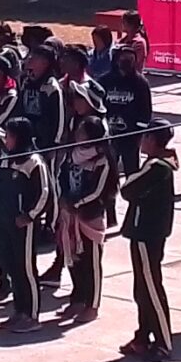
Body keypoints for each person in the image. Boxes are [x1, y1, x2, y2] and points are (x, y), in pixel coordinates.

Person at [119, 126, 178, 362]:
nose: (141, 141)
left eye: (144, 136)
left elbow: (127, 188)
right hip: (144, 232)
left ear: (152, 140)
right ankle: (143, 337)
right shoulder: (155, 164)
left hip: (147, 233)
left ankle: (163, 342)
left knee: (151, 288)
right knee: (141, 288)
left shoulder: (156, 167)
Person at [57, 115, 115, 325]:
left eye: (83, 131)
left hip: (89, 217)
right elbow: (61, 176)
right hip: (69, 216)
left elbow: (98, 190)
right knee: (73, 259)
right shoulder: (71, 155)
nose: (78, 134)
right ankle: (78, 298)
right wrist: (63, 198)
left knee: (91, 261)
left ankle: (92, 305)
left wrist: (77, 203)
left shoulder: (102, 160)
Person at [0, 117, 51, 332]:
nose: (6, 140)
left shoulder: (34, 162)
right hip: (6, 222)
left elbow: (45, 193)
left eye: (9, 136)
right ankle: (19, 311)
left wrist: (29, 215)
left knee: (26, 269)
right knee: (13, 268)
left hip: (25, 226)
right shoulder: (7, 159)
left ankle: (33, 315)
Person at [101, 45, 153, 175]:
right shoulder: (105, 81)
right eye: (123, 58)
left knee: (132, 170)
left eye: (130, 59)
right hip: (109, 135)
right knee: (108, 171)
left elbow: (146, 111)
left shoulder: (140, 83)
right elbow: (97, 106)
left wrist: (139, 133)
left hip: (131, 136)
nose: (127, 62)